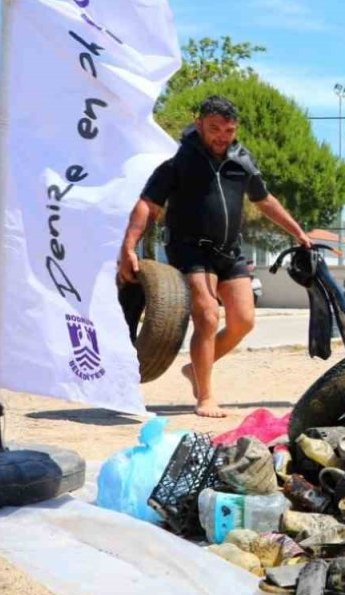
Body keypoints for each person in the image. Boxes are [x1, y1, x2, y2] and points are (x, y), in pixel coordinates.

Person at [118, 95, 314, 418]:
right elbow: (148, 205)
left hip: (229, 251)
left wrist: (297, 232)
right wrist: (129, 245)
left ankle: (196, 370)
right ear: (199, 125)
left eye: (229, 130)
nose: (222, 137)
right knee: (208, 316)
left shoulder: (242, 161)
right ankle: (206, 396)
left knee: (244, 321)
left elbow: (264, 201)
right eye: (214, 129)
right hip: (190, 248)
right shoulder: (178, 161)